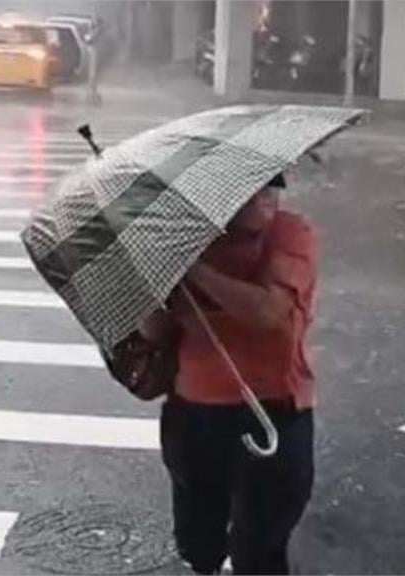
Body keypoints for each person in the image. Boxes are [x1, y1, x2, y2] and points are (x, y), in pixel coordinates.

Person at [155, 173, 317, 575]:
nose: (267, 195)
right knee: (197, 538)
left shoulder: (288, 233)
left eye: (272, 185)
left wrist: (194, 272)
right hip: (193, 411)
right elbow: (154, 333)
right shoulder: (185, 242)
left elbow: (268, 312)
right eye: (251, 189)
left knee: (261, 544)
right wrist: (153, 282)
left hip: (272, 410)